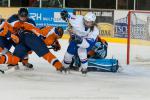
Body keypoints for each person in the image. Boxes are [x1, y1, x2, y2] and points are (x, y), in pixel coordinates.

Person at [0, 8, 66, 72]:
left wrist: (52, 41)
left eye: (24, 17)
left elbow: (37, 32)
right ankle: (58, 66)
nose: (23, 18)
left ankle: (18, 62)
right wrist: (11, 35)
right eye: (21, 16)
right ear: (18, 15)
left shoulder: (30, 23)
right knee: (42, 51)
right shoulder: (12, 19)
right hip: (7, 37)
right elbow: (2, 28)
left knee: (16, 58)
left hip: (20, 39)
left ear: (27, 16)